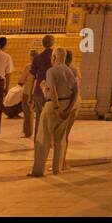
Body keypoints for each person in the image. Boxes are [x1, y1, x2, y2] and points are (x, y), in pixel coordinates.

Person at [30, 47, 77, 177]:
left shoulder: (51, 71)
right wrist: (68, 109)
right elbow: (76, 90)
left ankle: (38, 170)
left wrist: (57, 109)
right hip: (67, 103)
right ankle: (57, 168)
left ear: (54, 58)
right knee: (60, 139)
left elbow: (52, 90)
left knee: (43, 138)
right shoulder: (69, 70)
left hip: (53, 105)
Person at [58, 48, 81, 172]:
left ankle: (61, 162)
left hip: (66, 104)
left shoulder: (60, 70)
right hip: (76, 103)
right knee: (65, 134)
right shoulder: (75, 70)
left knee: (60, 134)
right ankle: (63, 161)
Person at [29, 35, 56, 135]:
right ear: (53, 43)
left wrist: (30, 94)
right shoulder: (55, 58)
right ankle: (49, 141)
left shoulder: (37, 58)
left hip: (38, 92)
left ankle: (38, 139)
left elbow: (32, 78)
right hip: (52, 92)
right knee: (51, 117)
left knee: (39, 117)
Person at [15, 51, 36, 135]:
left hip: (27, 92)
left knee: (27, 113)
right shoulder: (41, 66)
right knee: (33, 112)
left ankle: (27, 132)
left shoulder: (28, 67)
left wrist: (20, 82)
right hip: (37, 92)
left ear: (31, 57)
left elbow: (21, 80)